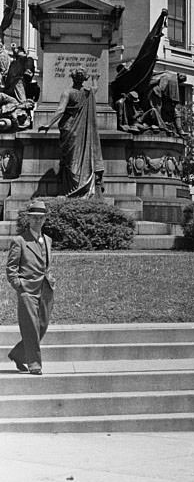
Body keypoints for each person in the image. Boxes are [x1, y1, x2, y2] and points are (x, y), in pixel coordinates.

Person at [5, 199, 54, 376]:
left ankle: (18, 354)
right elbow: (11, 268)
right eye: (34, 218)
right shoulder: (19, 241)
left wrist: (50, 277)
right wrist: (19, 286)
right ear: (29, 219)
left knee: (42, 326)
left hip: (46, 289)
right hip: (27, 291)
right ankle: (34, 364)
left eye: (40, 218)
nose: (37, 221)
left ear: (45, 219)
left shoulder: (47, 240)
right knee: (31, 328)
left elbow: (45, 263)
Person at [39, 67, 104, 196]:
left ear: (73, 78)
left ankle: (72, 189)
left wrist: (48, 124)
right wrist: (95, 79)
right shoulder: (88, 92)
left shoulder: (67, 92)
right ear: (84, 79)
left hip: (70, 129)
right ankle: (80, 186)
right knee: (79, 157)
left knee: (71, 159)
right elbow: (95, 88)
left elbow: (60, 111)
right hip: (80, 130)